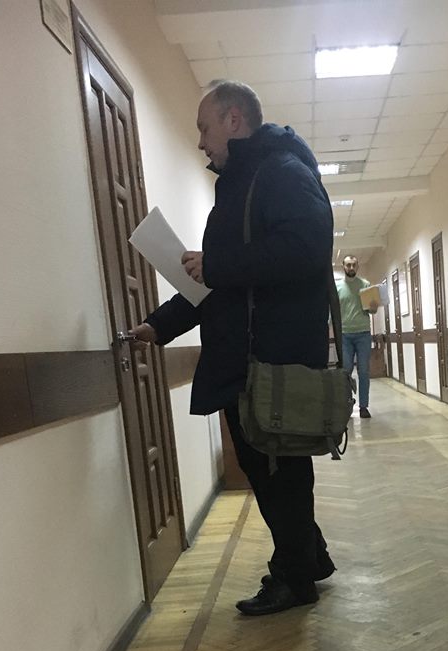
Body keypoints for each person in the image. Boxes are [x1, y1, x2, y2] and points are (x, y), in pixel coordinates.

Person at [131, 80, 336, 617]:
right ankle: (308, 558)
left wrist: (218, 264)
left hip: (269, 362)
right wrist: (159, 325)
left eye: (204, 128)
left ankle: (295, 578)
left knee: (275, 471)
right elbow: (217, 286)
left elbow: (308, 247)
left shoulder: (280, 171)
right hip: (247, 359)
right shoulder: (242, 183)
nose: (201, 142)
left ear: (233, 120)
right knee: (270, 468)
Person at [335, 255, 378, 418]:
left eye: (354, 265)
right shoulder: (337, 286)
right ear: (343, 266)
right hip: (344, 335)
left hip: (363, 334)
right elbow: (333, 310)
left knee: (364, 371)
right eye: (348, 265)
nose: (351, 268)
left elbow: (372, 310)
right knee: (346, 371)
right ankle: (347, 405)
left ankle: (363, 407)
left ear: (358, 266)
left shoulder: (365, 285)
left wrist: (374, 307)